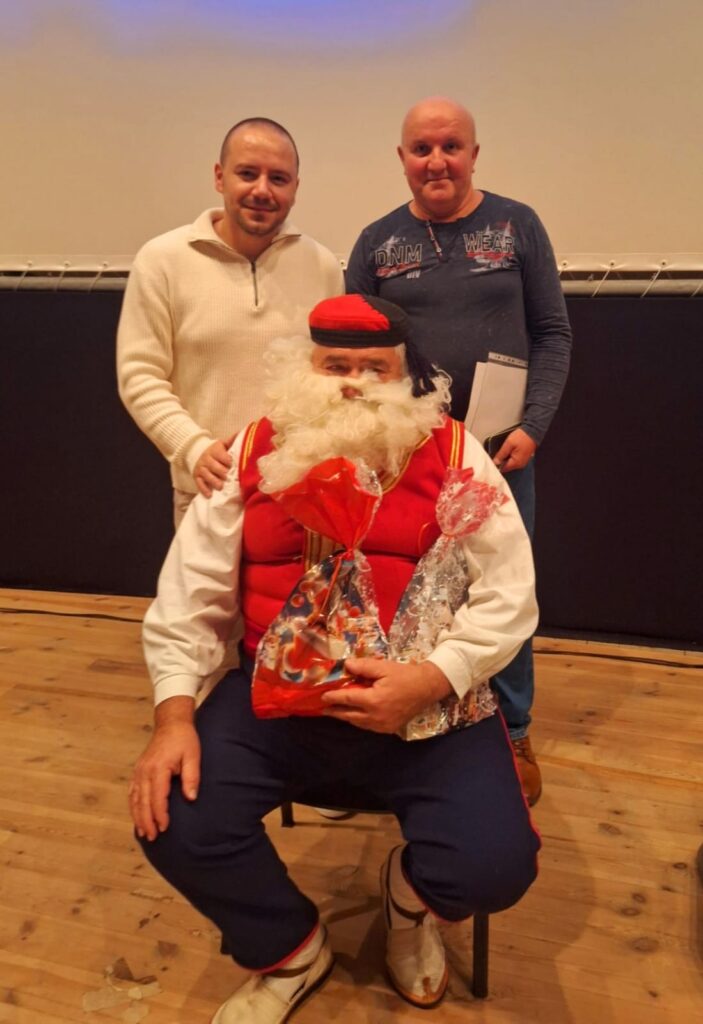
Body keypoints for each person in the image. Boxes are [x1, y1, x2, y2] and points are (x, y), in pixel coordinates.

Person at [128, 293, 540, 1023]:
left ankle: (407, 904)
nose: (353, 384)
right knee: (173, 819)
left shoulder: (454, 452)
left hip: (423, 703)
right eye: (335, 365)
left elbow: (510, 593)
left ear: (406, 375)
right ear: (305, 367)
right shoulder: (249, 451)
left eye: (375, 369)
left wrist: (431, 678)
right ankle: (290, 949)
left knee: (496, 866)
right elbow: (190, 595)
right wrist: (172, 717)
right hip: (275, 702)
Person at [345, 96, 573, 805]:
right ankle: (409, 725)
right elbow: (354, 357)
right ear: (402, 158)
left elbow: (552, 333)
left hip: (501, 456)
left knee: (503, 590)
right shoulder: (375, 243)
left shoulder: (517, 225)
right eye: (422, 149)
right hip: (406, 458)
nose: (436, 161)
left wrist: (533, 425)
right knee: (400, 594)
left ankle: (512, 731)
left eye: (451, 147)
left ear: (474, 153)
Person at [117, 117, 344, 527]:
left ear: (295, 188)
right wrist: (192, 448)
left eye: (278, 178)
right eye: (247, 173)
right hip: (207, 492)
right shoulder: (162, 260)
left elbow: (334, 379)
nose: (262, 190)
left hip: (301, 496)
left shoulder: (323, 265)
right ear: (220, 177)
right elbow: (140, 375)